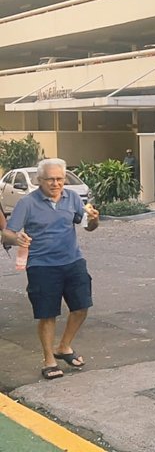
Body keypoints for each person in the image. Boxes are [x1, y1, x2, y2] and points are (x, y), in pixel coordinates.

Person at [2, 158, 100, 380]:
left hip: (73, 261)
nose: (55, 183)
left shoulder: (72, 197)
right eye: (50, 179)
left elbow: (87, 225)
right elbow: (7, 233)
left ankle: (64, 346)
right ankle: (49, 360)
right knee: (47, 314)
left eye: (59, 179)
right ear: (39, 180)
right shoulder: (27, 203)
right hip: (42, 265)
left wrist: (94, 220)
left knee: (82, 307)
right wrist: (17, 238)